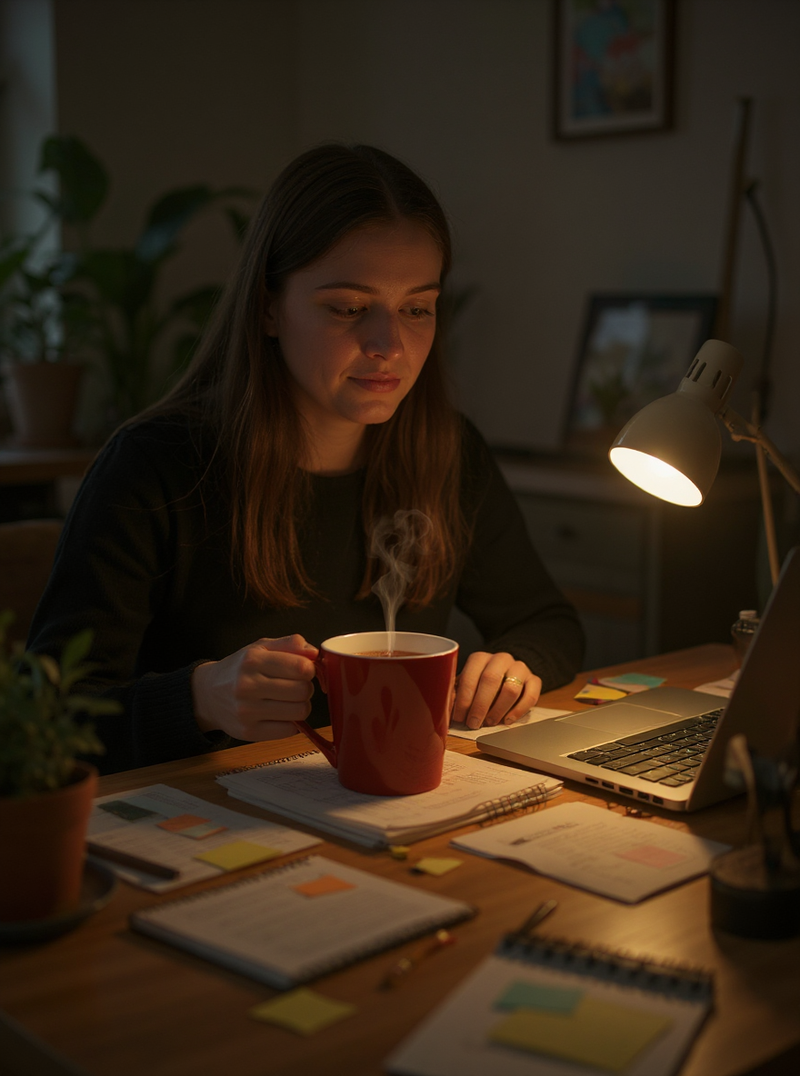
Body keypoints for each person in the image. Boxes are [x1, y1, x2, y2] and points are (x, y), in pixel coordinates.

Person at [28, 143, 584, 774]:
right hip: (203, 823)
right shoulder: (156, 466)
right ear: (269, 307)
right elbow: (45, 718)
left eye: (416, 309)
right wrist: (200, 699)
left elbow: (548, 623)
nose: (388, 344)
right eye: (348, 308)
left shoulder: (447, 452)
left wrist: (514, 665)